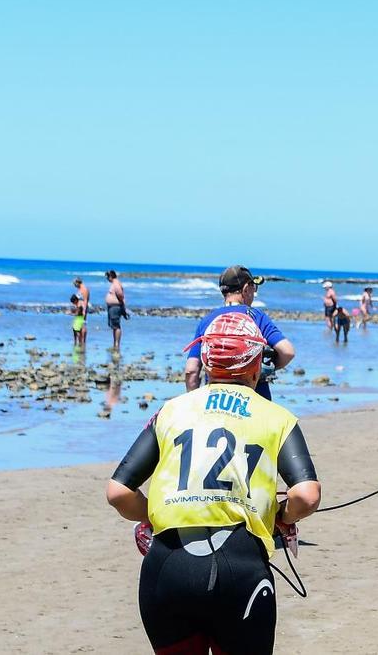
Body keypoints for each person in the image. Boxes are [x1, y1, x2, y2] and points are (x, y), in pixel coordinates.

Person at [106, 311, 322, 653]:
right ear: (255, 366)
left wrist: (153, 514)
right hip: (240, 570)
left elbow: (118, 491)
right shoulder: (277, 418)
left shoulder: (171, 411)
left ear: (207, 363)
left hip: (167, 569)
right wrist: (282, 516)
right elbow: (307, 495)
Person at [185, 266, 295, 401]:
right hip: (255, 401)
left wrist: (194, 402)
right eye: (254, 288)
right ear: (246, 289)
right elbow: (287, 352)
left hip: (215, 402)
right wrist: (266, 369)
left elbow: (191, 370)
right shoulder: (256, 317)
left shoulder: (208, 320)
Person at [104, 270, 128, 351]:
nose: (107, 279)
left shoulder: (116, 284)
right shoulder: (114, 284)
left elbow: (120, 295)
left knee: (116, 326)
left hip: (115, 307)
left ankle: (117, 344)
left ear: (111, 276)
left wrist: (122, 306)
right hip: (112, 307)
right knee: (114, 326)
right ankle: (115, 343)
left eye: (107, 277)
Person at [72, 277, 90, 346]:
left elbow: (85, 300)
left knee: (83, 324)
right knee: (78, 325)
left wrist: (84, 311)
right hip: (79, 308)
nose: (74, 285)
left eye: (74, 284)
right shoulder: (80, 289)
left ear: (77, 282)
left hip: (82, 308)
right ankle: (80, 341)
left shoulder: (84, 289)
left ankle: (83, 341)